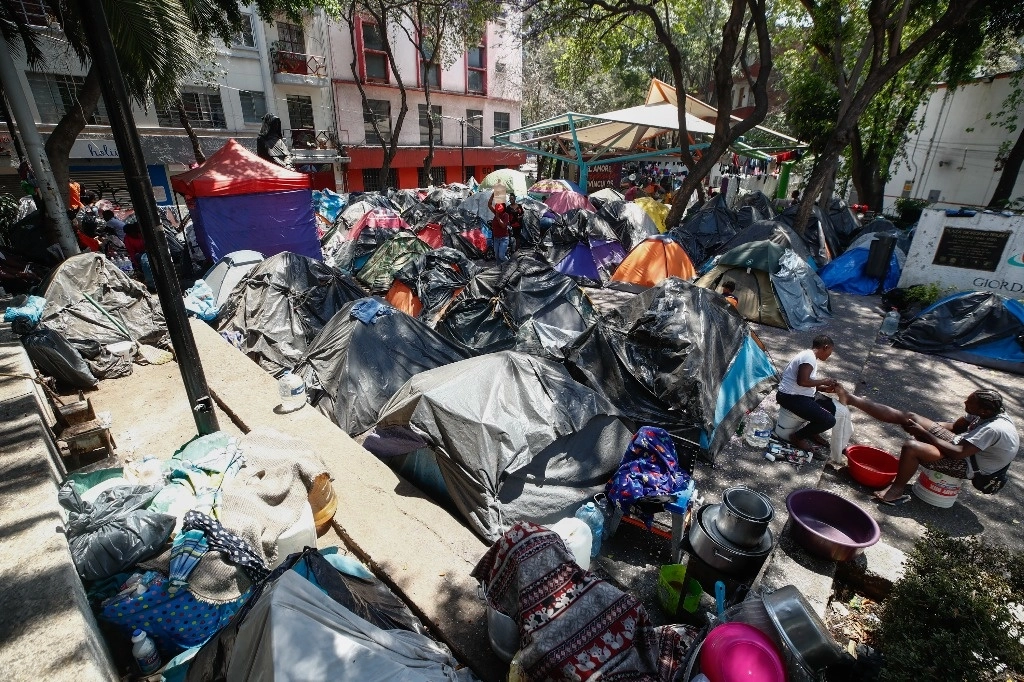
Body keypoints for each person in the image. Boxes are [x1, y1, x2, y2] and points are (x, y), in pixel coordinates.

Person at [839, 388, 1019, 504]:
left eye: (969, 403)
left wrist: (925, 434)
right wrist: (925, 426)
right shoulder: (986, 413)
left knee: (912, 447)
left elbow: (958, 454)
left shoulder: (993, 429)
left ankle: (896, 491)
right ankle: (851, 398)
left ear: (984, 410)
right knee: (911, 417)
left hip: (970, 465)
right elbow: (956, 429)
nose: (964, 403)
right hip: (963, 446)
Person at [775, 335, 841, 454]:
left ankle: (812, 432)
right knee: (829, 420)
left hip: (798, 394)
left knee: (832, 408)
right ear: (825, 347)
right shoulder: (808, 357)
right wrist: (824, 381)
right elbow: (803, 381)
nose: (830, 355)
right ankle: (797, 437)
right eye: (830, 351)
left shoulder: (809, 356)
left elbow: (805, 383)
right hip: (789, 397)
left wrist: (825, 389)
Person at [488, 193, 511, 263]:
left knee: (501, 256)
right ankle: (499, 270)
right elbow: (489, 204)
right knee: (497, 256)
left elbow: (503, 225)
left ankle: (509, 264)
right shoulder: (496, 213)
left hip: (503, 238)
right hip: (496, 238)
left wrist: (497, 217)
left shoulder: (505, 215)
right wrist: (492, 195)